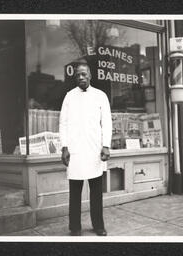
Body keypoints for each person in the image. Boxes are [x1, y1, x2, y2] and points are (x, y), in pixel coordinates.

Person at [59, 62, 112, 236]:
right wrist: (64, 147)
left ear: (90, 75)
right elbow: (63, 123)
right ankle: (75, 227)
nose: (81, 77)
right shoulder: (69, 96)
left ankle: (98, 225)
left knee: (96, 192)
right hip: (75, 151)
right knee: (75, 192)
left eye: (84, 74)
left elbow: (107, 123)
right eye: (78, 75)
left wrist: (106, 146)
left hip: (95, 150)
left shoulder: (100, 96)